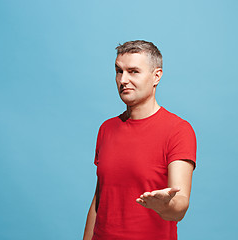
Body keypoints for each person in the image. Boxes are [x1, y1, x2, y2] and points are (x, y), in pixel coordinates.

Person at [83, 40, 197, 240]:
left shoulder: (178, 130)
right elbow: (99, 200)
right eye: (119, 71)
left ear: (156, 76)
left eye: (133, 71)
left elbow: (180, 206)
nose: (123, 80)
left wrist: (165, 206)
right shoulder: (106, 128)